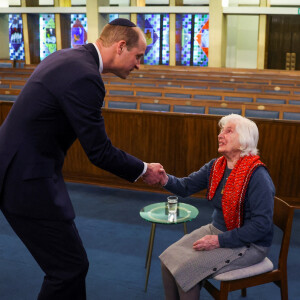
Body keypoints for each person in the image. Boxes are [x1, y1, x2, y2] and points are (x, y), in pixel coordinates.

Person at [0, 18, 161, 299]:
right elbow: (99, 152)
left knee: (68, 266)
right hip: (24, 179)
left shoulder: (69, 56)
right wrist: (144, 169)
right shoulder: (85, 75)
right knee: (69, 268)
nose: (139, 65)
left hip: (20, 169)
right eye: (138, 56)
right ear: (121, 46)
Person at [157, 114, 275, 300]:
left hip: (250, 244)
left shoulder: (258, 176)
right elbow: (186, 186)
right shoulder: (216, 166)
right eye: (221, 131)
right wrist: (164, 179)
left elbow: (261, 226)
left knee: (186, 271)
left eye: (228, 131)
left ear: (244, 141)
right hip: (218, 230)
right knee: (168, 259)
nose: (220, 135)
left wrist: (219, 241)